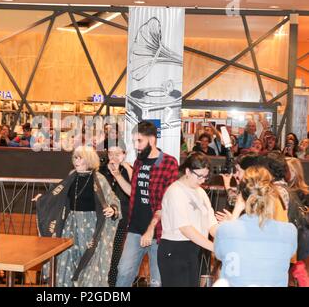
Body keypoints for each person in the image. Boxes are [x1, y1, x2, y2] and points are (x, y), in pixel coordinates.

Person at [33, 146, 121, 287]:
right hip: (71, 225)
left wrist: (112, 209)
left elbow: (113, 200)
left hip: (91, 227)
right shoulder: (72, 176)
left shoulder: (99, 179)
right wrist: (42, 199)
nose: (76, 160)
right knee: (65, 260)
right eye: (75, 157)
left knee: (91, 265)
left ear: (89, 160)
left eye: (80, 157)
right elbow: (58, 194)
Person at [116, 121, 179, 287]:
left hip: (159, 232)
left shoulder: (169, 163)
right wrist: (117, 175)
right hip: (135, 229)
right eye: (134, 141)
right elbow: (133, 193)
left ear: (152, 140)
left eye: (139, 141)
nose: (136, 146)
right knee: (123, 273)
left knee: (157, 281)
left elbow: (167, 203)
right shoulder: (139, 162)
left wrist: (150, 229)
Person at [214, 166, 297, 287]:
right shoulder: (289, 231)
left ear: (241, 195)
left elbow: (220, 255)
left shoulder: (226, 229)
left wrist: (235, 212)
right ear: (270, 194)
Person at [158, 152, 218, 287]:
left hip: (194, 249)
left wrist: (225, 239)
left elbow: (211, 221)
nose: (203, 180)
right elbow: (185, 228)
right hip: (175, 250)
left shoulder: (200, 191)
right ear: (187, 171)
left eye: (205, 176)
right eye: (200, 176)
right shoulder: (175, 191)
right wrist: (214, 247)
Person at [100, 141, 132, 287]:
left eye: (118, 154)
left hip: (120, 220)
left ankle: (111, 286)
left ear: (124, 155)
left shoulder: (128, 170)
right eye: (111, 153)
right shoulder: (100, 170)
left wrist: (124, 169)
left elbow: (134, 191)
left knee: (115, 257)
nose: (113, 157)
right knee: (99, 255)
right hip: (101, 220)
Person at [285, 157, 309, 287]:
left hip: (300, 237)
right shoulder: (282, 190)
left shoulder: (304, 193)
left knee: (299, 270)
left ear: (295, 172)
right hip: (288, 235)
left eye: (287, 169)